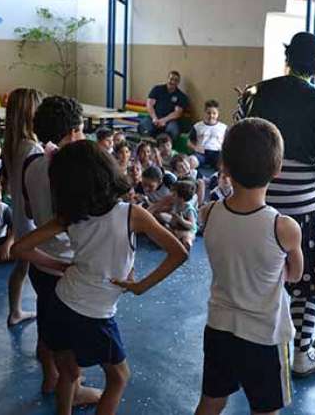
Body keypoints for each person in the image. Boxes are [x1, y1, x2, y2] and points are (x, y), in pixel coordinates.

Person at [14, 140, 187, 415]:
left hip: (60, 303)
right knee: (119, 378)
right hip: (94, 314)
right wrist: (141, 286)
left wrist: (60, 266)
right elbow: (179, 253)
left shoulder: (69, 217)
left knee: (69, 373)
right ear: (106, 171)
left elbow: (19, 248)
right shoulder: (132, 214)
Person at [236, 31, 315, 376]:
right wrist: (314, 184)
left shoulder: (254, 93)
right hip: (302, 207)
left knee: (257, 278)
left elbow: (236, 141)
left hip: (256, 202)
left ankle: (252, 345)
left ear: (288, 57)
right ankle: (301, 353)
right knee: (305, 283)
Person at [193, 118, 303, 415]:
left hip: (219, 327)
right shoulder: (284, 227)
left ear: (225, 166)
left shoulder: (209, 212)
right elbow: (295, 274)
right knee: (265, 409)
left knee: (211, 401)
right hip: (264, 336)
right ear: (277, 169)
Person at [21, 96, 101, 401]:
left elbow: (29, 211)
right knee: (70, 338)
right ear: (73, 132)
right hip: (67, 266)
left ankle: (49, 378)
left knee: (47, 324)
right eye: (81, 129)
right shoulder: (72, 172)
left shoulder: (32, 163)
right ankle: (73, 389)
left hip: (40, 262)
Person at [3, 88, 43, 327]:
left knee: (22, 266)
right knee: (41, 272)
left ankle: (15, 311)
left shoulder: (13, 145)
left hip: (20, 218)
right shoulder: (32, 148)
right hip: (32, 220)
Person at [138, 70, 189, 140]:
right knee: (143, 126)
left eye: (176, 80)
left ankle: (164, 144)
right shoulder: (157, 89)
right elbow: (149, 104)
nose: (173, 82)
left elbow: (177, 113)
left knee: (173, 131)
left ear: (178, 82)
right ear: (168, 79)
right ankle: (149, 143)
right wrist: (154, 118)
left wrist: (164, 120)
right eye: (171, 79)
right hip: (154, 117)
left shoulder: (181, 96)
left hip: (170, 121)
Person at [189, 99, 227, 169]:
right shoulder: (197, 126)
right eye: (208, 113)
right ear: (205, 112)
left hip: (217, 153)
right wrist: (195, 148)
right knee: (191, 161)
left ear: (218, 114)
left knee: (225, 164)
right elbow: (189, 142)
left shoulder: (224, 127)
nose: (211, 115)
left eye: (214, 113)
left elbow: (228, 143)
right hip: (201, 153)